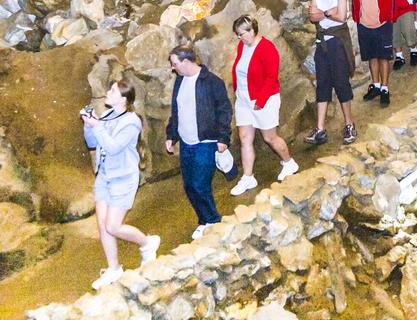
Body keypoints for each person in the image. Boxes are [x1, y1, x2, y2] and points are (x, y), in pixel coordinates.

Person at [82, 79, 160, 289]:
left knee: (113, 226)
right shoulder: (107, 115)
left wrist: (97, 126)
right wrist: (89, 125)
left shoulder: (131, 122)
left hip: (123, 179)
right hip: (104, 177)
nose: (108, 92)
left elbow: (114, 147)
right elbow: (92, 143)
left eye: (113, 90)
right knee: (102, 225)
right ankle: (114, 269)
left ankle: (147, 243)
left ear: (123, 98)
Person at [164, 47, 233, 240]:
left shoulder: (212, 82)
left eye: (175, 64)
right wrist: (171, 135)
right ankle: (204, 220)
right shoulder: (180, 81)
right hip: (186, 142)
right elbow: (176, 111)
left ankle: (213, 219)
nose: (173, 68)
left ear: (186, 62)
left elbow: (224, 111)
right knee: (189, 185)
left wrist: (223, 138)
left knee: (199, 184)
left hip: (206, 141)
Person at [229, 15, 299, 197]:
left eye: (242, 34)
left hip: (263, 99)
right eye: (238, 34)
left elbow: (271, 77)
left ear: (252, 30)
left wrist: (260, 101)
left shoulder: (267, 48)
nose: (239, 37)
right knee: (245, 138)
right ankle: (248, 177)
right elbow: (239, 70)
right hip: (244, 99)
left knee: (270, 137)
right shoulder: (242, 46)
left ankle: (289, 162)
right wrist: (238, 92)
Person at [304, 0, 357, 146]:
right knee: (323, 83)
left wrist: (324, 13)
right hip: (322, 39)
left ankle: (349, 124)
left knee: (341, 82)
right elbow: (312, 15)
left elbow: (341, 16)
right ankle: (320, 129)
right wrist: (329, 12)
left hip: (337, 40)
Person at [352, 0, 396, 106]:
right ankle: (376, 85)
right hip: (364, 24)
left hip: (382, 23)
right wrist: (357, 17)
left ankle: (385, 88)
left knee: (383, 57)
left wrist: (387, 17)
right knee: (372, 56)